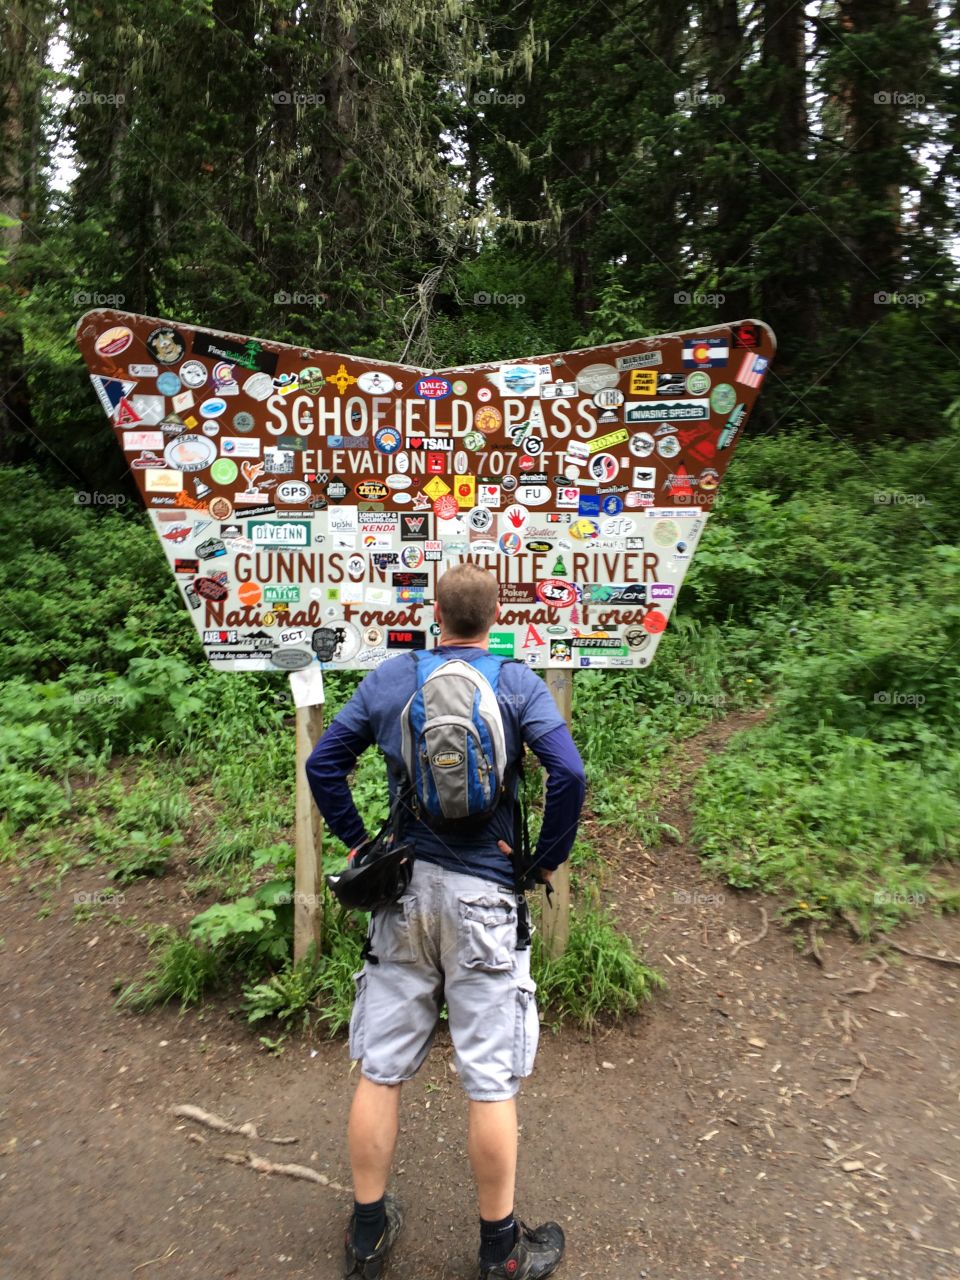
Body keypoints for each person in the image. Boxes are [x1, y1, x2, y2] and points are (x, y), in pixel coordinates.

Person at [306, 563, 587, 1280]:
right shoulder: (517, 683)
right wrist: (542, 863)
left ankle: (368, 1237)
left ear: (434, 612)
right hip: (488, 900)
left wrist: (362, 842)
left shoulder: (394, 678)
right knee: (489, 1080)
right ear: (497, 613)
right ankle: (501, 1252)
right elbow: (570, 775)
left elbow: (325, 762)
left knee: (382, 1068)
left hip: (402, 896)